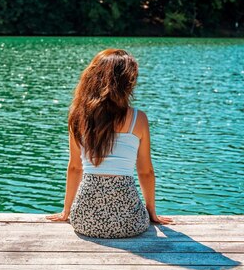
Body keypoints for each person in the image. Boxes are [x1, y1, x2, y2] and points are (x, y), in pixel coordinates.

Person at [46, 48, 173, 238]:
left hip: (84, 221)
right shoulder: (138, 119)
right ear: (127, 83)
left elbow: (75, 168)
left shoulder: (78, 116)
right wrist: (151, 211)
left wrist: (66, 212)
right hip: (129, 223)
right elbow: (146, 171)